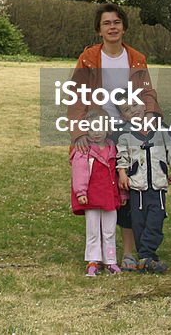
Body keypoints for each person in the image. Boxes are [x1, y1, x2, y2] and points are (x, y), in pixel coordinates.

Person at [69, 3, 161, 272]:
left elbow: (147, 94)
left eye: (117, 22)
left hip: (130, 129)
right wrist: (79, 133)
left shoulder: (135, 58)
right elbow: (76, 96)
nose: (112, 27)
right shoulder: (88, 58)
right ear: (99, 29)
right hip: (101, 134)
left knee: (132, 189)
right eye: (107, 23)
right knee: (108, 190)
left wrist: (153, 118)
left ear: (124, 27)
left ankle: (130, 252)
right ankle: (100, 252)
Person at [116, 125, 171, 273]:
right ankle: (146, 259)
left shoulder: (161, 133)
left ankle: (146, 255)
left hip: (157, 188)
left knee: (155, 221)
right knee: (138, 223)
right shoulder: (126, 136)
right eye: (127, 110)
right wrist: (122, 172)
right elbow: (122, 156)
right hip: (137, 188)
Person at [70, 108, 123, 276]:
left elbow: (117, 173)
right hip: (91, 197)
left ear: (108, 128)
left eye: (100, 127)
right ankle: (93, 261)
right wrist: (81, 192)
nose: (97, 132)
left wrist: (122, 194)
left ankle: (110, 261)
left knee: (109, 230)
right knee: (93, 230)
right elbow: (79, 172)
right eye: (92, 128)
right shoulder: (84, 150)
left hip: (109, 196)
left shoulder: (112, 148)